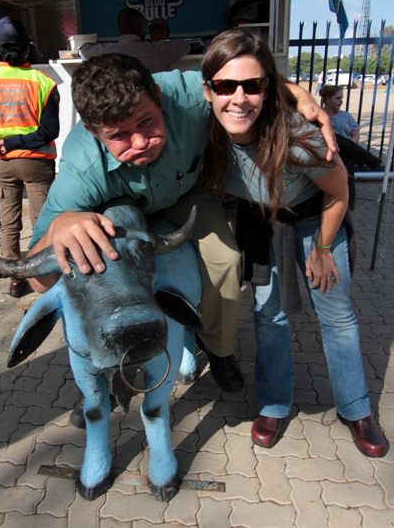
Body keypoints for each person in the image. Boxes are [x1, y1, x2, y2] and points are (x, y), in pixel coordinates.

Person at [28, 52, 336, 394]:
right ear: (93, 132)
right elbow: (38, 282)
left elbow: (248, 81)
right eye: (119, 135)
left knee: (226, 261)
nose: (140, 142)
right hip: (116, 211)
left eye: (147, 122)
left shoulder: (190, 93)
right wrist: (58, 228)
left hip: (187, 196)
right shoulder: (80, 171)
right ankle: (111, 367)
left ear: (159, 98)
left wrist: (297, 94)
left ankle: (219, 350)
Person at [201, 28, 388, 457]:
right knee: (269, 315)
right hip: (262, 221)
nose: (238, 98)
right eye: (226, 86)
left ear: (267, 89)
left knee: (336, 315)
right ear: (208, 89)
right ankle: (273, 403)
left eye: (253, 85)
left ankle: (356, 409)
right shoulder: (205, 123)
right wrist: (297, 89)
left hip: (315, 219)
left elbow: (338, 191)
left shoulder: (297, 138)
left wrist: (322, 249)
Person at [0, 17, 60, 298]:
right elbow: (50, 130)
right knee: (41, 220)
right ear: (27, 49)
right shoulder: (43, 82)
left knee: (9, 222)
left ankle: (14, 278)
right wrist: (17, 141)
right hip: (36, 162)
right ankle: (41, 273)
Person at [319, 84, 382, 209]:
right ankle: (368, 159)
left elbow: (355, 133)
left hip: (346, 155)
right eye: (338, 98)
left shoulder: (346, 115)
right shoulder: (320, 116)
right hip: (329, 153)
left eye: (342, 98)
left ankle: (348, 205)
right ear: (327, 99)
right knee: (335, 136)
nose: (341, 101)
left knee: (345, 150)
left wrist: (350, 145)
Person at [79, 7, 191, 72]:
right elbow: (184, 45)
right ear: (137, 26)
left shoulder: (105, 51)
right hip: (150, 102)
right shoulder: (156, 50)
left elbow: (83, 50)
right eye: (143, 26)